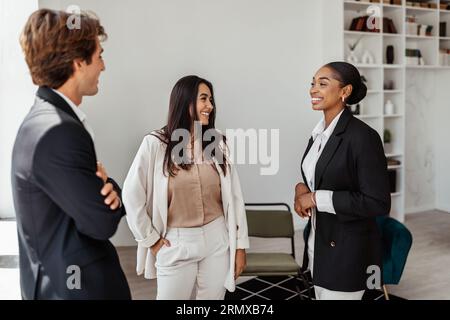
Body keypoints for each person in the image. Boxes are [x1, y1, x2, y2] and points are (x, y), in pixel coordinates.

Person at [11, 9, 131, 299]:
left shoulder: (43, 121)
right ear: (79, 62)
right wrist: (111, 190)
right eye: (99, 55)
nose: (103, 66)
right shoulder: (58, 132)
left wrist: (105, 190)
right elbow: (101, 222)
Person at [123, 75, 249, 300]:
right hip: (176, 242)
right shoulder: (156, 144)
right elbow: (131, 195)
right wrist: (151, 239)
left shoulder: (217, 142)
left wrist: (240, 246)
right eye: (203, 99)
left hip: (217, 239)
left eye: (211, 99)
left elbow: (235, 197)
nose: (210, 106)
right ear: (185, 101)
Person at [294, 62, 391, 300]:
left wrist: (316, 198)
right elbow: (322, 176)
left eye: (322, 84)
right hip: (319, 245)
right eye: (313, 83)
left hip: (348, 253)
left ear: (345, 91)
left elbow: (377, 202)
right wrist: (301, 189)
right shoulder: (318, 134)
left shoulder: (363, 137)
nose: (313, 90)